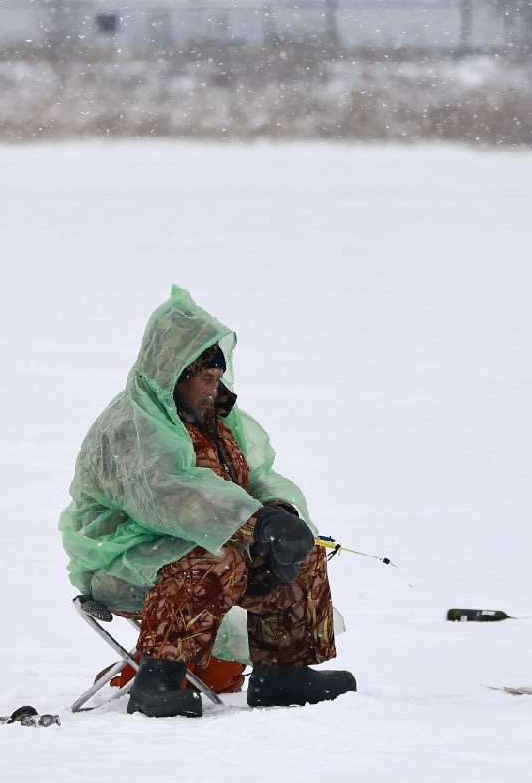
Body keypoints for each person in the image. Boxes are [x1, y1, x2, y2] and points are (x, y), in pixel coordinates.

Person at [62, 288, 356, 718]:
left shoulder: (216, 419)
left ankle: (283, 674)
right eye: (205, 379)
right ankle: (157, 679)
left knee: (300, 547)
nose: (213, 389)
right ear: (175, 374)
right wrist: (257, 522)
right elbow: (171, 495)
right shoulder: (131, 425)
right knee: (219, 556)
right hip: (123, 562)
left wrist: (280, 513)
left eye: (217, 378)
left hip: (197, 551)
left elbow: (259, 476)